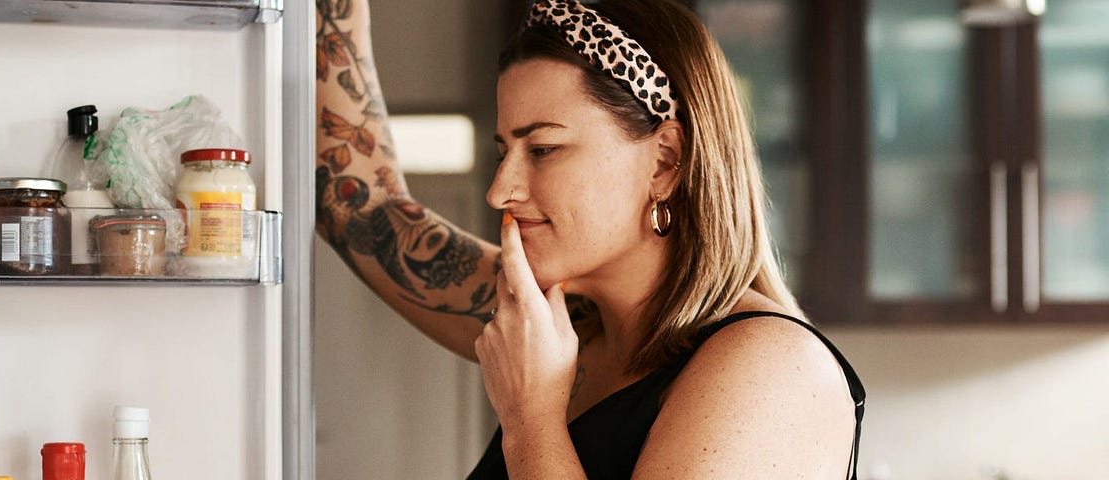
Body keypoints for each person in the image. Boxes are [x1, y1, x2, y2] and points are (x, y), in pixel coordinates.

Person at [314, 0, 867, 478]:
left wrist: (531, 425)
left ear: (665, 161)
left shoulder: (771, 368)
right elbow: (362, 210)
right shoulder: (565, 325)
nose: (499, 190)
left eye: (544, 149)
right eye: (503, 151)